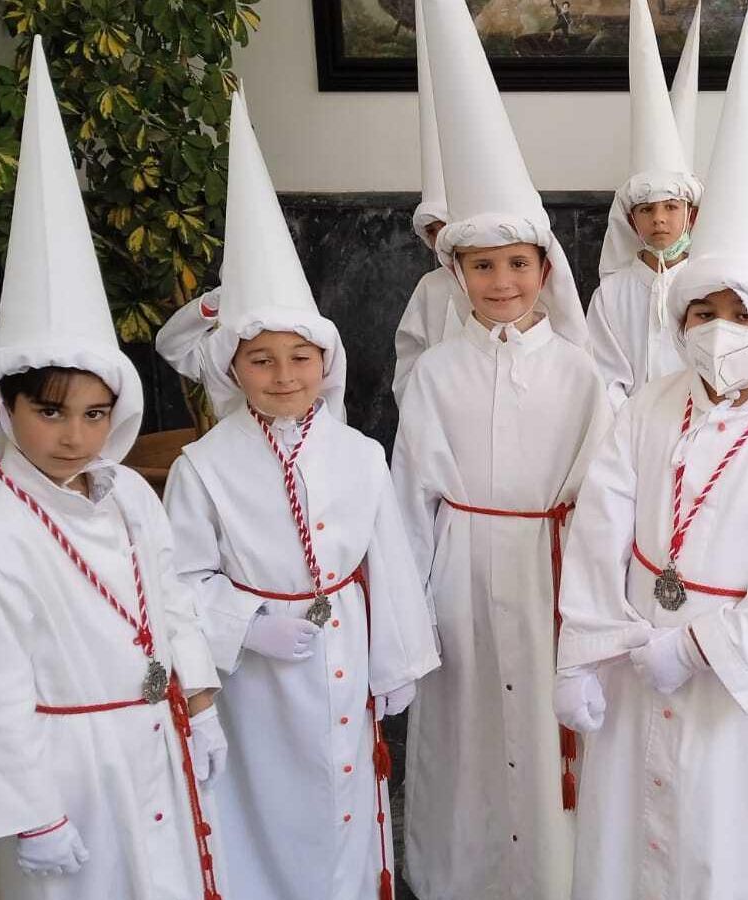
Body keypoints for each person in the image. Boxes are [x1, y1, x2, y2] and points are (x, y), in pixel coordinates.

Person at [554, 12, 748, 898]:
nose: (723, 330)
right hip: (640, 652)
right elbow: (601, 523)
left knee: (725, 847)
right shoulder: (648, 405)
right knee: (633, 845)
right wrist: (582, 649)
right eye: (703, 311)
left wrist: (706, 648)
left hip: (742, 683)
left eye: (744, 312)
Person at [0, 39, 227, 900]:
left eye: (95, 414)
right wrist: (32, 812)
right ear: (3, 409)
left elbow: (169, 594)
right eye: (50, 411)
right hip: (67, 767)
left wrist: (200, 698)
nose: (74, 436)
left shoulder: (130, 489)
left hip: (150, 735)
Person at [160, 91, 439, 900]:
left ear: (327, 364)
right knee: (268, 803)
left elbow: (385, 559)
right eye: (261, 360)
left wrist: (398, 662)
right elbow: (182, 578)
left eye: (299, 358)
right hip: (256, 675)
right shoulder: (203, 467)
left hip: (347, 646)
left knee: (348, 792)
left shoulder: (358, 454)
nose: (284, 376)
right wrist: (250, 624)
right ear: (231, 371)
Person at [392, 1, 611, 896]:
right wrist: (405, 618)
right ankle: (467, 873)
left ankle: (559, 875)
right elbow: (410, 498)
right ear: (457, 277)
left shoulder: (581, 373)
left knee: (552, 737)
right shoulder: (435, 376)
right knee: (471, 727)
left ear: (545, 272)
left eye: (518, 265)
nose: (501, 282)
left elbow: (604, 491)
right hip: (462, 571)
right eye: (482, 268)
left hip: (551, 568)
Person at [587, 0, 703, 408]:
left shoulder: (705, 287)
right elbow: (603, 376)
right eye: (647, 210)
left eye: (671, 207)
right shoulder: (612, 295)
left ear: (691, 214)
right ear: (630, 219)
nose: (659, 219)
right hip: (631, 440)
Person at [392, 0, 469, 404]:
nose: (442, 243)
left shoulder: (508, 288)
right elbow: (409, 359)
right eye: (434, 233)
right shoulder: (430, 288)